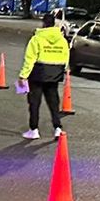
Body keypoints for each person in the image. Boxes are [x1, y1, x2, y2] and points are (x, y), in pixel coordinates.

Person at [18, 11, 69, 140]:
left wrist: (23, 76)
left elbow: (29, 59)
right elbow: (66, 57)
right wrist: (62, 70)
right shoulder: (62, 40)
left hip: (38, 74)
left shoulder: (37, 39)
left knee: (34, 102)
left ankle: (34, 129)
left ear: (44, 24)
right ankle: (58, 128)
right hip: (54, 74)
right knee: (53, 102)